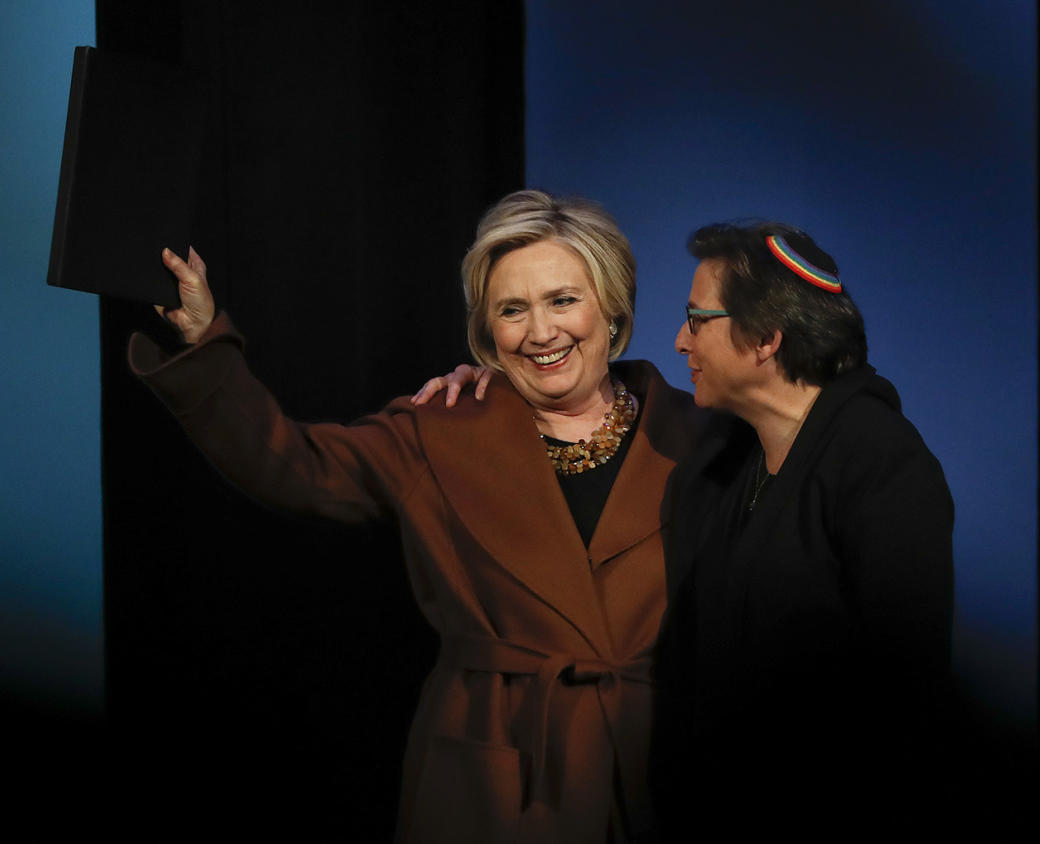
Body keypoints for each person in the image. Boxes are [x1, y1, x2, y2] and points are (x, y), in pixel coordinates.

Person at [129, 190, 706, 843]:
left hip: (659, 768)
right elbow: (294, 465)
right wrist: (205, 338)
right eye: (512, 310)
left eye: (563, 300)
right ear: (487, 331)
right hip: (497, 779)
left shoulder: (700, 437)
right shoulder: (440, 430)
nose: (541, 332)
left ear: (613, 307)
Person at [650, 221, 954, 828]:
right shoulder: (724, 462)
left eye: (696, 319)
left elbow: (903, 697)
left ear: (765, 337)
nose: (681, 341)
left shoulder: (882, 462)